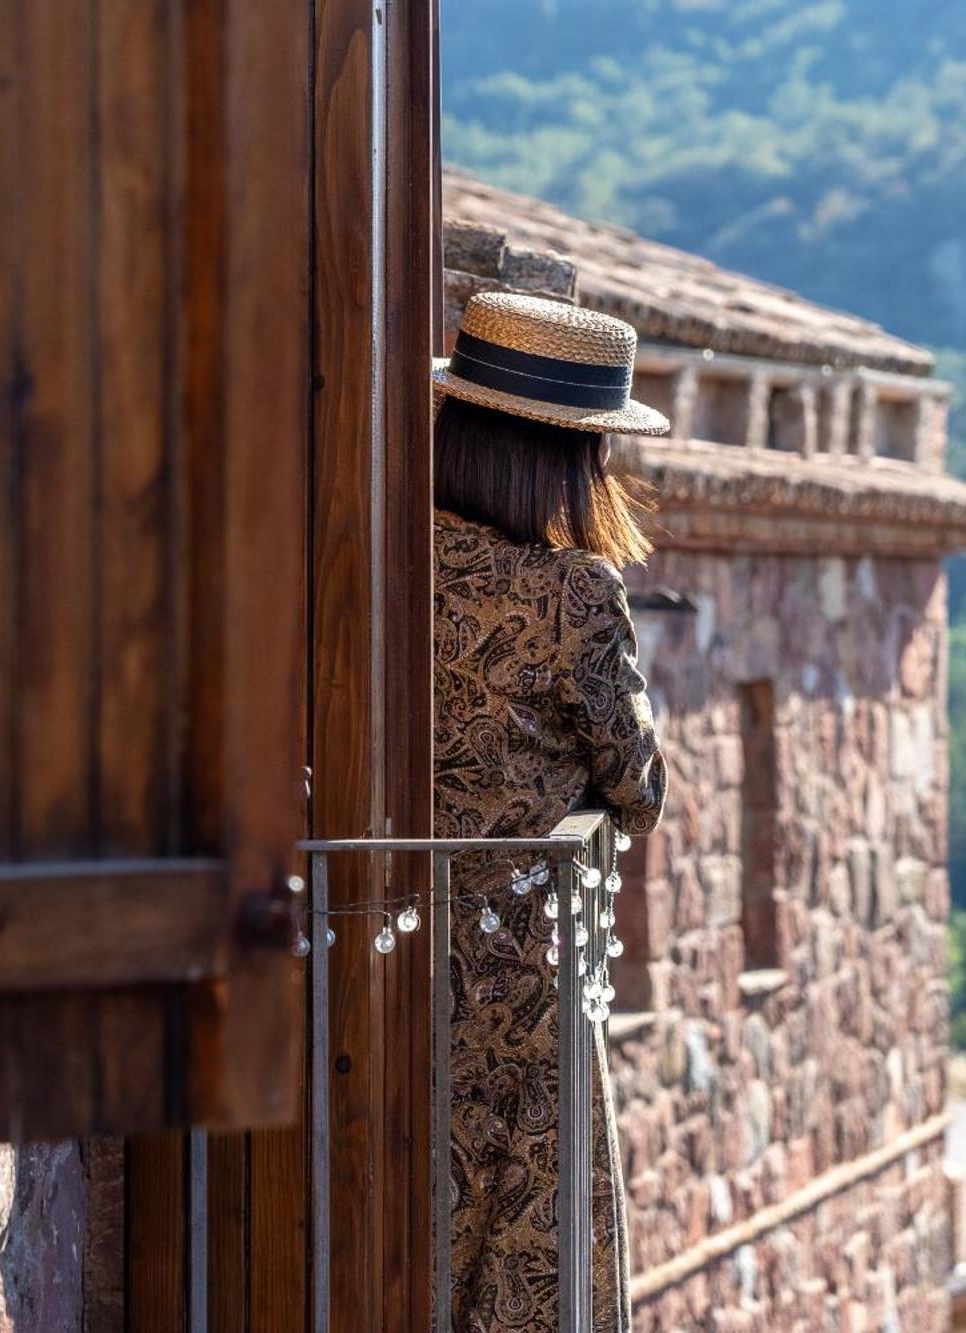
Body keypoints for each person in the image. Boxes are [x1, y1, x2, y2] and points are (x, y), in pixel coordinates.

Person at [432, 292, 672, 1332]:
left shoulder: (371, 558)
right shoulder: (571, 591)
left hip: (374, 933)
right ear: (568, 456)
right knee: (531, 1238)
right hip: (515, 966)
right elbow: (639, 788)